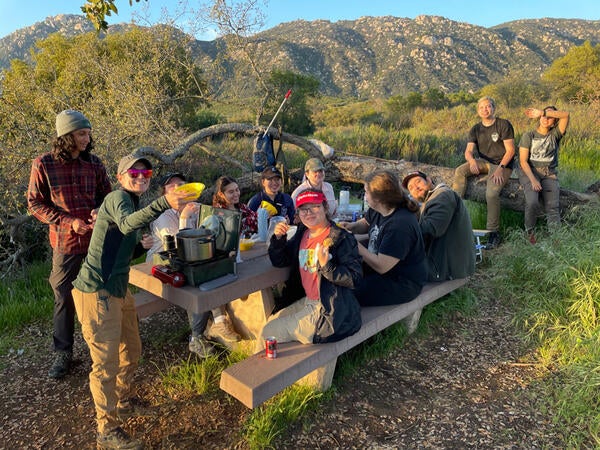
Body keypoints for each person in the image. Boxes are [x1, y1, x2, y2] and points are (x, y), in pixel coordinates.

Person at [71, 153, 191, 449]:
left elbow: (119, 241)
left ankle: (123, 401)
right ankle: (106, 432)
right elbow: (125, 224)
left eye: (145, 173)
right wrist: (164, 203)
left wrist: (140, 246)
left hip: (119, 288)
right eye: (133, 173)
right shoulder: (116, 198)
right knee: (105, 365)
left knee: (132, 350)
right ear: (121, 176)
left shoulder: (131, 202)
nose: (140, 177)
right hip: (97, 291)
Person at [27, 109, 112, 380]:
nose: (87, 138)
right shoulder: (44, 164)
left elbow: (108, 198)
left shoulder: (95, 164)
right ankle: (63, 353)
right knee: (63, 296)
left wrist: (101, 211)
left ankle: (106, 346)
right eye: (81, 134)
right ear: (66, 136)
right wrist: (68, 221)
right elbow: (34, 204)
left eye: (88, 133)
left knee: (103, 293)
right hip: (65, 243)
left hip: (96, 242)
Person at [145, 173, 239, 356]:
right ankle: (196, 339)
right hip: (161, 264)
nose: (179, 189)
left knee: (211, 271)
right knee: (195, 283)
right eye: (172, 187)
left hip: (186, 260)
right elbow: (182, 248)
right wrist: (185, 217)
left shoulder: (195, 208)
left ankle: (218, 322)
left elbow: (204, 239)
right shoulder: (163, 215)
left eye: (182, 184)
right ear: (164, 193)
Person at [257, 189, 362, 351]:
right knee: (271, 320)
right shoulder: (303, 233)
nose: (309, 213)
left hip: (329, 310)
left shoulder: (341, 238)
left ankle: (261, 373)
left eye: (314, 206)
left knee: (267, 332)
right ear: (297, 213)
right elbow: (281, 261)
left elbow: (355, 278)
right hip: (306, 300)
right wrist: (278, 240)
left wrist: (327, 266)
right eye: (303, 209)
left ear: (325, 207)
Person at [340, 170, 427, 306]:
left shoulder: (400, 225)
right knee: (341, 275)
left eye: (366, 192)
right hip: (378, 266)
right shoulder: (379, 208)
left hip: (401, 281)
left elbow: (382, 266)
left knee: (347, 292)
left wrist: (355, 244)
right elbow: (366, 224)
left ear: (379, 198)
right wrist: (351, 226)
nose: (365, 196)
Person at [452, 96, 516, 249]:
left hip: (502, 164)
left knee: (491, 194)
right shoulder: (476, 128)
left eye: (488, 106)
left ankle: (493, 233)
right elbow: (468, 151)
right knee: (460, 171)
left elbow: (511, 150)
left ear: (493, 108)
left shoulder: (503, 124)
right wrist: (472, 161)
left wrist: (500, 169)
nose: (485, 110)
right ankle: (452, 210)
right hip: (484, 162)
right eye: (481, 107)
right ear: (478, 110)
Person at [402, 170, 476, 281]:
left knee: (391, 267)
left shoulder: (442, 194)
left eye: (418, 182)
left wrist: (400, 229)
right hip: (443, 263)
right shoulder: (430, 200)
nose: (415, 188)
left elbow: (432, 229)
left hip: (447, 269)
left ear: (428, 180)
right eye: (411, 188)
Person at [518, 105, 570, 243]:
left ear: (554, 121)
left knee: (553, 207)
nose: (546, 119)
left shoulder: (555, 135)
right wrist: (533, 180)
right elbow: (523, 162)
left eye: (550, 117)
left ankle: (556, 239)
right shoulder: (528, 136)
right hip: (530, 171)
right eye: (543, 116)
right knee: (532, 202)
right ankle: (529, 232)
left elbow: (566, 115)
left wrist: (542, 111)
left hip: (549, 173)